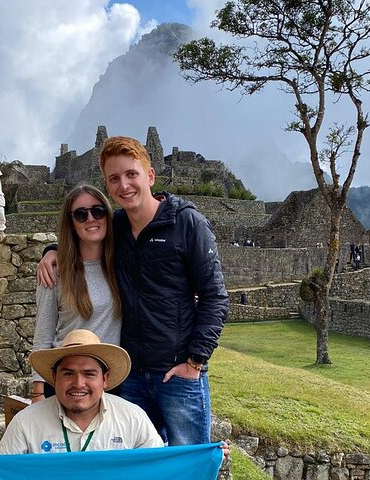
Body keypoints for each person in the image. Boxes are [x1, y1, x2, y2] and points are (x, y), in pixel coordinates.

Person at [37, 136, 229, 446]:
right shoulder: (117, 228)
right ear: (108, 186)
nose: (124, 185)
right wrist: (52, 250)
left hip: (177, 373)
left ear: (150, 176)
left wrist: (194, 363)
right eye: (115, 179)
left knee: (187, 462)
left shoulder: (187, 224)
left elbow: (215, 297)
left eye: (131, 174)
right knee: (136, 464)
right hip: (132, 377)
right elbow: (83, 234)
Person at [0, 330, 229, 479]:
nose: (78, 384)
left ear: (105, 379)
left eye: (89, 374)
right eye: (68, 373)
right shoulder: (27, 422)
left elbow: (159, 469)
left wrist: (204, 457)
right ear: (54, 379)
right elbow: (3, 474)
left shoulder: (132, 418)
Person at [31, 184, 121, 402]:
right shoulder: (55, 271)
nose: (91, 218)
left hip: (111, 382)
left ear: (107, 216)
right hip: (67, 383)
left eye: (97, 211)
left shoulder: (122, 265)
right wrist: (37, 393)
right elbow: (43, 334)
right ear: (71, 223)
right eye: (80, 214)